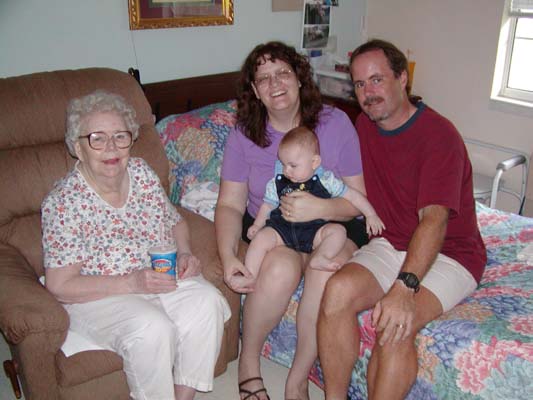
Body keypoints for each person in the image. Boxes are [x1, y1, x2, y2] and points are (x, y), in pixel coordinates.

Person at [317, 39, 487, 400]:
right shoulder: (364, 126)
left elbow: (434, 221)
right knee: (336, 292)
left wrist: (404, 286)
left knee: (395, 323)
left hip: (449, 253)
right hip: (390, 241)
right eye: (360, 84)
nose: (368, 92)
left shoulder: (439, 136)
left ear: (402, 79)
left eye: (377, 80)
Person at [41, 90, 231, 400]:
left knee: (207, 302)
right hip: (98, 294)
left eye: (120, 136)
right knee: (152, 328)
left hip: (153, 276)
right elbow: (60, 285)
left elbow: (175, 221)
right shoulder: (63, 203)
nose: (111, 147)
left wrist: (185, 253)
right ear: (78, 148)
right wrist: (131, 282)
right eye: (97, 139)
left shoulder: (141, 173)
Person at [215, 41, 368, 400]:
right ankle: (248, 363)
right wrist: (228, 257)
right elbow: (230, 205)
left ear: (299, 78)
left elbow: (356, 201)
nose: (275, 83)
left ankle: (297, 379)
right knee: (278, 271)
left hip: (334, 223)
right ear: (255, 91)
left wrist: (319, 209)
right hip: (278, 226)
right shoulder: (244, 133)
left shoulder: (336, 123)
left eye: (283, 72)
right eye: (263, 78)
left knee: (324, 275)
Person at [236, 126, 384, 290]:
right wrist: (257, 225)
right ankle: (250, 276)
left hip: (314, 232)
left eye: (293, 165)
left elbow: (354, 196)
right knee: (260, 239)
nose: (286, 170)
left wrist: (370, 214)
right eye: (283, 164)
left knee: (338, 232)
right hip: (282, 230)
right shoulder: (277, 182)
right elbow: (268, 205)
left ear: (314, 162)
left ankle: (321, 257)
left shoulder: (326, 180)